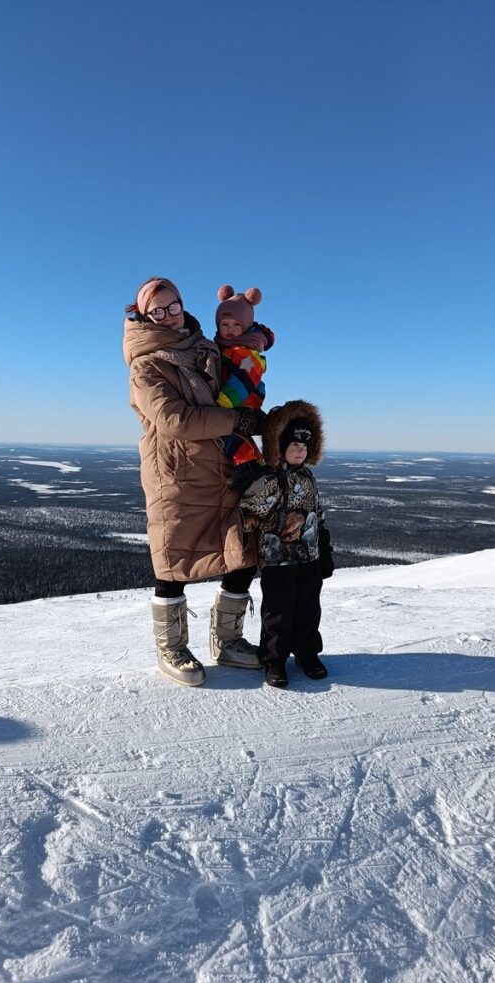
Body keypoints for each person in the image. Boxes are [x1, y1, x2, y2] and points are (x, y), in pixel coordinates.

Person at [122, 277, 265, 687]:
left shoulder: (203, 346)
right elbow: (174, 419)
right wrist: (236, 421)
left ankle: (229, 642)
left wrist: (254, 342)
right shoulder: (146, 364)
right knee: (173, 559)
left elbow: (236, 369)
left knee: (240, 551)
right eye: (158, 311)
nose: (169, 315)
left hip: (224, 464)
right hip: (177, 471)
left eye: (174, 306)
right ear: (145, 316)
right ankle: (171, 648)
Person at [239, 400, 335, 689]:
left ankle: (307, 654)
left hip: (308, 558)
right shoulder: (269, 479)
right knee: (278, 613)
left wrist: (325, 549)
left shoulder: (307, 477)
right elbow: (248, 512)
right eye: (294, 444)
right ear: (279, 446)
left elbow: (317, 514)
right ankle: (274, 660)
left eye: (305, 446)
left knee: (308, 609)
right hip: (277, 560)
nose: (300, 450)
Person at [213, 285, 275, 492]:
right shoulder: (226, 349)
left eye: (235, 324)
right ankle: (249, 464)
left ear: (245, 326)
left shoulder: (246, 351)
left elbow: (245, 379)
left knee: (225, 431)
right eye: (224, 324)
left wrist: (223, 401)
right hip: (234, 401)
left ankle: (248, 464)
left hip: (242, 401)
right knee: (226, 433)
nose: (229, 329)